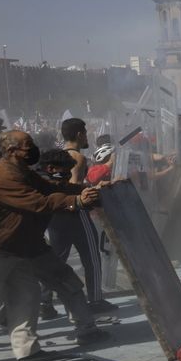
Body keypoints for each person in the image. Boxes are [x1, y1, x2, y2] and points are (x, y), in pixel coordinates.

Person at [0, 131, 100, 361]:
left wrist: (87, 190)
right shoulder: (4, 175)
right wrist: (76, 201)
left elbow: (48, 188)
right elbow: (38, 202)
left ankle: (27, 351)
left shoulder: (21, 170)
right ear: (12, 150)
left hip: (16, 247)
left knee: (28, 296)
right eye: (27, 145)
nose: (32, 149)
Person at [55, 118, 114, 312]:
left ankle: (45, 303)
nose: (87, 137)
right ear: (79, 134)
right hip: (76, 212)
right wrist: (95, 188)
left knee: (55, 261)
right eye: (85, 133)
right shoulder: (77, 158)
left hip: (56, 213)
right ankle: (96, 300)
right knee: (92, 258)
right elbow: (72, 187)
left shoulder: (57, 156)